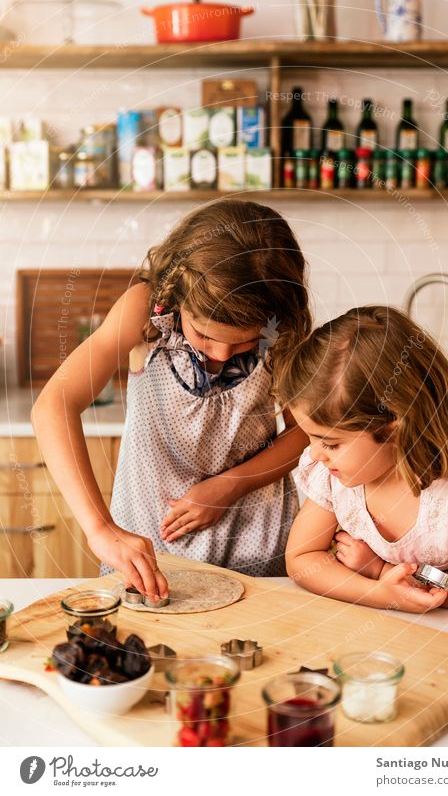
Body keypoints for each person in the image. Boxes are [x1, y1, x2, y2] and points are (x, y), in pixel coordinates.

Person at [32, 200, 311, 599]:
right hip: (149, 552)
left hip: (257, 553)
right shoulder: (143, 313)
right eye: (205, 335)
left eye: (245, 341)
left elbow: (304, 435)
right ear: (178, 295)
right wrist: (102, 529)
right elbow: (53, 406)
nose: (219, 354)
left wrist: (229, 486)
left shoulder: (283, 330)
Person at [274, 305, 448, 613]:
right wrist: (379, 592)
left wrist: (380, 571)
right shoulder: (333, 477)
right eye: (311, 437)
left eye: (330, 443)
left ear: (395, 430)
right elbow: (302, 560)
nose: (315, 454)